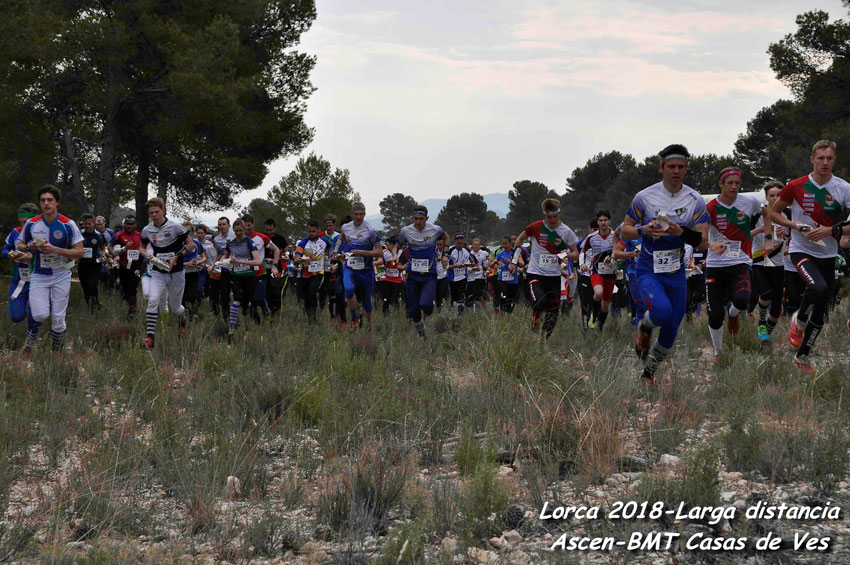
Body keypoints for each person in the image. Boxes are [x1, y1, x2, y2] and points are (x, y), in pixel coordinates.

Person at [620, 144, 710, 385]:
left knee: (671, 330)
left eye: (681, 167)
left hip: (675, 272)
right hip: (648, 268)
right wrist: (643, 229)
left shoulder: (695, 200)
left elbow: (702, 243)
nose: (676, 171)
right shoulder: (644, 197)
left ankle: (648, 372)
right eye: (671, 166)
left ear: (686, 169)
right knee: (660, 311)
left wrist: (681, 232)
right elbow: (625, 231)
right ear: (661, 168)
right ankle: (644, 327)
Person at [769, 140, 850, 371]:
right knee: (818, 288)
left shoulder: (843, 188)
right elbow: (774, 213)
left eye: (830, 158)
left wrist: (831, 230)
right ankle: (800, 319)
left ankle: (802, 357)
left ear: (834, 160)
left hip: (828, 252)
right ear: (812, 159)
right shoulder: (796, 185)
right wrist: (793, 224)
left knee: (823, 311)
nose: (825, 163)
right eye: (821, 158)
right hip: (801, 249)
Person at [704, 167, 771, 355]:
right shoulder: (710, 208)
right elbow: (700, 236)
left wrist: (767, 237)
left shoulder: (749, 202)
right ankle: (718, 353)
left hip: (740, 261)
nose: (734, 187)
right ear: (721, 184)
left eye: (737, 183)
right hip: (716, 265)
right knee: (715, 316)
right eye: (729, 183)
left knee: (743, 300)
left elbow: (767, 214)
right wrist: (711, 244)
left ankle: (733, 314)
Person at [19, 186, 84, 352]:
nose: (46, 203)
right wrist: (29, 246)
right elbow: (20, 245)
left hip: (61, 275)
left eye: (50, 200)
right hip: (39, 275)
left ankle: (57, 351)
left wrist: (55, 249)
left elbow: (80, 251)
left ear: (57, 202)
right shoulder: (32, 224)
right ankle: (31, 342)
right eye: (43, 200)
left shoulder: (68, 224)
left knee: (58, 317)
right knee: (39, 314)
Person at [510, 198, 579, 339]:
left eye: (555, 217)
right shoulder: (535, 227)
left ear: (559, 213)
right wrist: (514, 260)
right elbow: (519, 239)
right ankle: (535, 321)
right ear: (544, 215)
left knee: (554, 310)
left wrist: (566, 255)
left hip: (555, 276)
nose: (552, 220)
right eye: (549, 217)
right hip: (536, 274)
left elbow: (576, 254)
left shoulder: (566, 231)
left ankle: (544, 341)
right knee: (540, 301)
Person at [139, 197, 194, 349]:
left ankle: (182, 318)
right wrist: (148, 255)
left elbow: (191, 244)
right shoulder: (147, 230)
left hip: (176, 272)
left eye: (157, 212)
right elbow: (141, 247)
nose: (154, 215)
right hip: (158, 271)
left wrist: (177, 256)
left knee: (175, 308)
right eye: (151, 213)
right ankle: (150, 339)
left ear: (163, 211)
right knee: (153, 300)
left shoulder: (175, 227)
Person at [394, 206, 448, 336]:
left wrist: (445, 254)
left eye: (421, 219)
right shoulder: (406, 231)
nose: (418, 222)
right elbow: (396, 245)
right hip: (412, 274)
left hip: (429, 275)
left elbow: (446, 236)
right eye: (415, 218)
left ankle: (428, 314)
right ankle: (422, 334)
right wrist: (395, 254)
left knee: (426, 305)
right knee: (412, 309)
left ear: (427, 218)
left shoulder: (435, 229)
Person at [332, 203, 382, 328]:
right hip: (350, 268)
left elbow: (379, 252)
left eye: (361, 214)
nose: (359, 217)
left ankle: (369, 327)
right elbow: (342, 237)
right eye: (356, 214)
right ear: (351, 214)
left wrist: (363, 252)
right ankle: (355, 318)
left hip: (366, 270)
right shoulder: (345, 227)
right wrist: (336, 250)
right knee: (348, 290)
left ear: (365, 214)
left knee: (366, 302)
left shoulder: (371, 230)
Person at [751, 181, 788, 341]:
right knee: (765, 294)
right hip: (760, 260)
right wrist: (761, 229)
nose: (775, 198)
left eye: (778, 195)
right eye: (771, 195)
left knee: (776, 311)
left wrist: (785, 233)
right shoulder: (758, 214)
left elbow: (797, 234)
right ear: (766, 197)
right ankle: (760, 322)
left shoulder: (788, 215)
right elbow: (743, 235)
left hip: (779, 264)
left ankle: (765, 335)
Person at [2, 203, 39, 340]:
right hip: (18, 280)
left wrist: (32, 256)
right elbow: (4, 251)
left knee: (35, 316)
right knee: (16, 316)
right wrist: (11, 255)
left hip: (38, 280)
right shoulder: (15, 232)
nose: (24, 226)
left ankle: (31, 343)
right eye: (22, 222)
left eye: (27, 222)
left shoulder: (42, 233)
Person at [222, 218, 262, 340]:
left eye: (240, 230)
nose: (238, 233)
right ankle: (231, 330)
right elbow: (225, 257)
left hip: (249, 276)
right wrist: (222, 263)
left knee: (247, 304)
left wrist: (239, 261)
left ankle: (250, 326)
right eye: (236, 231)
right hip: (236, 276)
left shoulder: (248, 242)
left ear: (244, 230)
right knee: (236, 300)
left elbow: (258, 261)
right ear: (233, 231)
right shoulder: (231, 244)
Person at [580, 210, 617, 330]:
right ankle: (594, 317)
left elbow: (621, 251)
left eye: (605, 220)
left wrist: (618, 264)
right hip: (596, 271)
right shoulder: (591, 237)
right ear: (598, 222)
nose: (603, 223)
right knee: (598, 293)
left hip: (611, 273)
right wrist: (581, 265)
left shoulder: (616, 235)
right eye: (601, 220)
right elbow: (582, 252)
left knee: (606, 305)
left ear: (609, 221)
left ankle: (600, 327)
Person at [109, 215, 143, 319]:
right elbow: (109, 247)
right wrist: (114, 254)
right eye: (127, 224)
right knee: (125, 289)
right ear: (124, 224)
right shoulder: (118, 235)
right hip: (123, 265)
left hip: (136, 266)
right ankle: (130, 303)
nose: (129, 226)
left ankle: (132, 309)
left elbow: (146, 247)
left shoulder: (140, 235)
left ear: (135, 225)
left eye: (131, 224)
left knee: (132, 288)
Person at [294, 220, 329, 321]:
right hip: (305, 274)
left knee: (312, 293)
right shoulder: (302, 243)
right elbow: (296, 259)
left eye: (314, 231)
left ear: (318, 230)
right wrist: (302, 260)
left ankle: (313, 316)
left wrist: (330, 259)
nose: (312, 233)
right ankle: (309, 315)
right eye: (310, 231)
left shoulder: (324, 242)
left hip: (319, 273)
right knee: (306, 297)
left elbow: (331, 251)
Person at [77, 213, 107, 312]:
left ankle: (94, 305)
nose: (87, 226)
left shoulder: (98, 236)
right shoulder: (79, 235)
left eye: (89, 224)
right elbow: (74, 248)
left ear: (93, 223)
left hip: (95, 265)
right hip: (82, 265)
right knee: (85, 287)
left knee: (92, 285)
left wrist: (103, 255)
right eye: (85, 224)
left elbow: (102, 249)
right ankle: (90, 304)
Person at [180, 220, 207, 319]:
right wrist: (187, 263)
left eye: (189, 231)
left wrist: (198, 262)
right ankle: (183, 315)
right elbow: (173, 261)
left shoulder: (195, 243)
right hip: (181, 273)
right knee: (182, 296)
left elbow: (204, 257)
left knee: (192, 296)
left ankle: (191, 314)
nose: (187, 233)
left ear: (191, 231)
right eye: (184, 231)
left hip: (193, 273)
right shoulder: (178, 243)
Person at [263, 218, 288, 318]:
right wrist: (266, 259)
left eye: (271, 230)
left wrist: (286, 256)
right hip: (265, 268)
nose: (269, 232)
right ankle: (268, 310)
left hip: (277, 268)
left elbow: (286, 251)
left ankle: (277, 311)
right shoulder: (262, 238)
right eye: (267, 230)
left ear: (275, 228)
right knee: (267, 289)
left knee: (276, 288)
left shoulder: (280, 239)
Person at [493, 235, 521, 313]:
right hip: (502, 278)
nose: (504, 246)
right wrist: (497, 263)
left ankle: (508, 313)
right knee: (503, 294)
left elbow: (521, 263)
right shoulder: (500, 253)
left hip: (513, 279)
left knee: (511, 298)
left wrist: (512, 262)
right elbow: (494, 261)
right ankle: (502, 311)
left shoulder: (514, 253)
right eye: (502, 244)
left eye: (506, 244)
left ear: (510, 243)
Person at [447, 234, 473, 316]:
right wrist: (455, 266)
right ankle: (453, 313)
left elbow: (472, 262)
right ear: (455, 242)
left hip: (463, 276)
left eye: (462, 243)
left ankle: (460, 313)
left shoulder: (466, 251)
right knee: (454, 297)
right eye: (458, 243)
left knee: (460, 295)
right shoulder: (451, 251)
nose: (460, 245)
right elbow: (447, 266)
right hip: (452, 278)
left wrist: (467, 265)